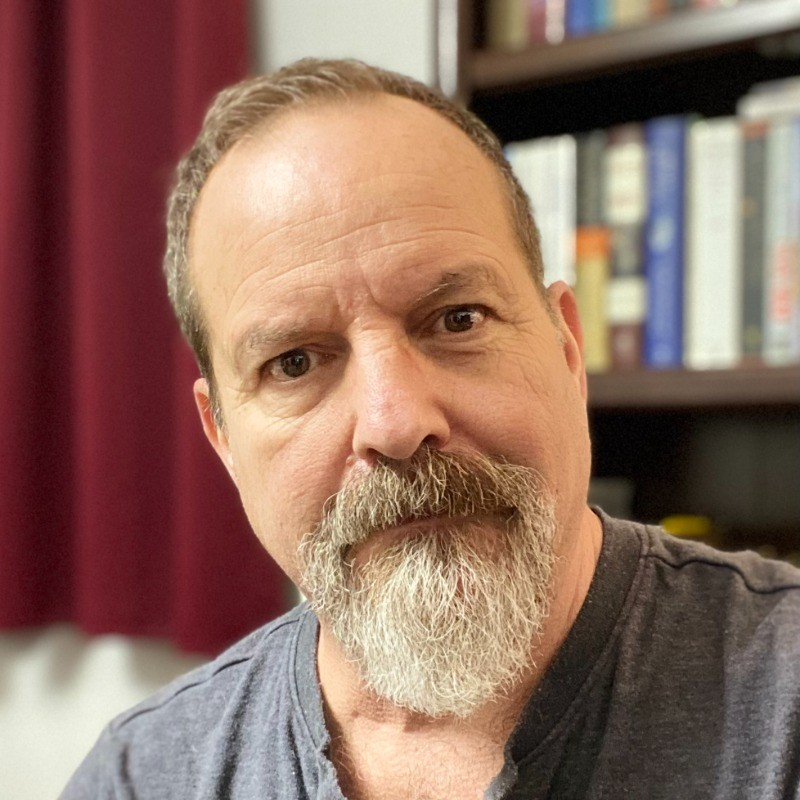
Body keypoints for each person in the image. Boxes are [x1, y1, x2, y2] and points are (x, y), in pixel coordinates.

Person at [62, 58, 800, 800]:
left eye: (457, 319)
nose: (395, 423)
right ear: (223, 439)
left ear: (567, 350)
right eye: (294, 363)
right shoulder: (142, 776)